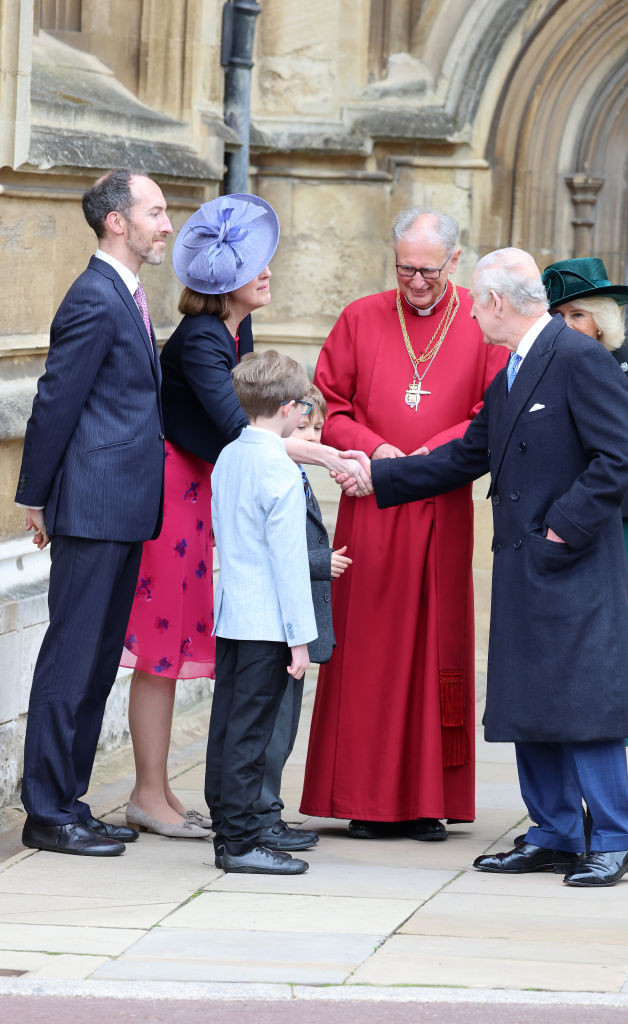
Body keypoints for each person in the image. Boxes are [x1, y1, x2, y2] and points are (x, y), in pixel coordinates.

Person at [366, 247, 628, 887]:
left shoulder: (579, 357)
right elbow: (468, 454)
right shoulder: (516, 367)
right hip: (526, 564)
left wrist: (561, 528)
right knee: (532, 699)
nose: (469, 313)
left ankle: (616, 837)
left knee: (586, 702)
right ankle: (555, 833)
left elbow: (621, 458)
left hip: (569, 560)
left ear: (495, 302)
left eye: (474, 302)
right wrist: (378, 476)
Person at [119, 194, 370, 838]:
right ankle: (149, 793)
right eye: (255, 263)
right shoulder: (203, 339)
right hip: (175, 492)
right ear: (223, 277)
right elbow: (245, 431)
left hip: (207, 489)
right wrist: (333, 455)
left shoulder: (236, 329)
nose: (266, 271)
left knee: (181, 643)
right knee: (163, 646)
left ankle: (162, 794)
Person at [299, 208, 508, 840]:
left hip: (441, 505)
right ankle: (365, 797)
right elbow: (328, 405)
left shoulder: (482, 319)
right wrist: (376, 448)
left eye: (427, 270)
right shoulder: (361, 316)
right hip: (370, 505)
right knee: (368, 651)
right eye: (404, 268)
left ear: (454, 261)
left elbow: (490, 411)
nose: (415, 281)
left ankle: (427, 800)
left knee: (435, 649)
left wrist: (431, 454)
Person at [16, 169, 172, 857]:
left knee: (98, 664)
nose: (166, 225)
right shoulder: (93, 296)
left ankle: (70, 803)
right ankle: (47, 812)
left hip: (124, 509)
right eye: (156, 212)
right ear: (117, 221)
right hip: (92, 507)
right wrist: (34, 496)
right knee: (70, 663)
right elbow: (55, 401)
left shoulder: (126, 294)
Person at [206, 350, 317, 874]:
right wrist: (300, 637)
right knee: (251, 734)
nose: (307, 417)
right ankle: (244, 842)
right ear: (288, 407)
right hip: (268, 622)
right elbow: (289, 561)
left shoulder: (230, 456)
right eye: (305, 408)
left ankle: (227, 834)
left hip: (231, 615)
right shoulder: (280, 467)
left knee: (227, 727)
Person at [541, 257, 628, 633]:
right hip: (555, 523)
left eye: (577, 314)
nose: (564, 325)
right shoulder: (538, 373)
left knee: (613, 635)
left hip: (620, 529)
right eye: (556, 314)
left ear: (601, 320)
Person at [255, 385, 352, 852]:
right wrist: (321, 563)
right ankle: (260, 814)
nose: (312, 435)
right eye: (306, 425)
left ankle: (266, 810)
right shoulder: (275, 471)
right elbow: (273, 548)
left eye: (319, 428)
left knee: (285, 725)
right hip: (276, 625)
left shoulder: (293, 469)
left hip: (292, 620)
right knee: (271, 728)